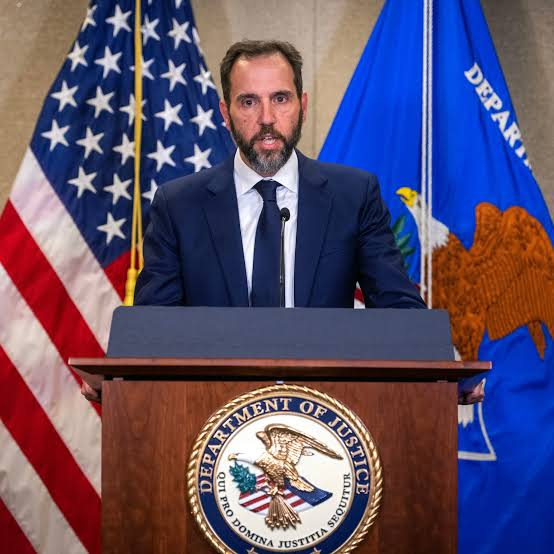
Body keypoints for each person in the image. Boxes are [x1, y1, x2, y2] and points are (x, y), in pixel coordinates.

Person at [81, 40, 484, 404]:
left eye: (280, 98)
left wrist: (441, 374)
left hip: (328, 411)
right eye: (248, 102)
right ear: (225, 113)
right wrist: (121, 381)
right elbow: (154, 329)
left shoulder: (353, 195)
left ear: (302, 105)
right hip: (211, 413)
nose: (267, 118)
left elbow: (397, 307)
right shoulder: (179, 205)